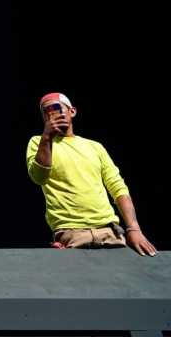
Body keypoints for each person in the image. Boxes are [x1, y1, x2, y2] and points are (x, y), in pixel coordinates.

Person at [26, 93, 156, 255]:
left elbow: (118, 188)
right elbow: (39, 177)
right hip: (71, 233)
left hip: (110, 232)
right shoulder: (38, 142)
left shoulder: (95, 147)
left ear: (72, 111)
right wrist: (46, 137)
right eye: (46, 111)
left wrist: (133, 229)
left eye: (57, 108)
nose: (52, 114)